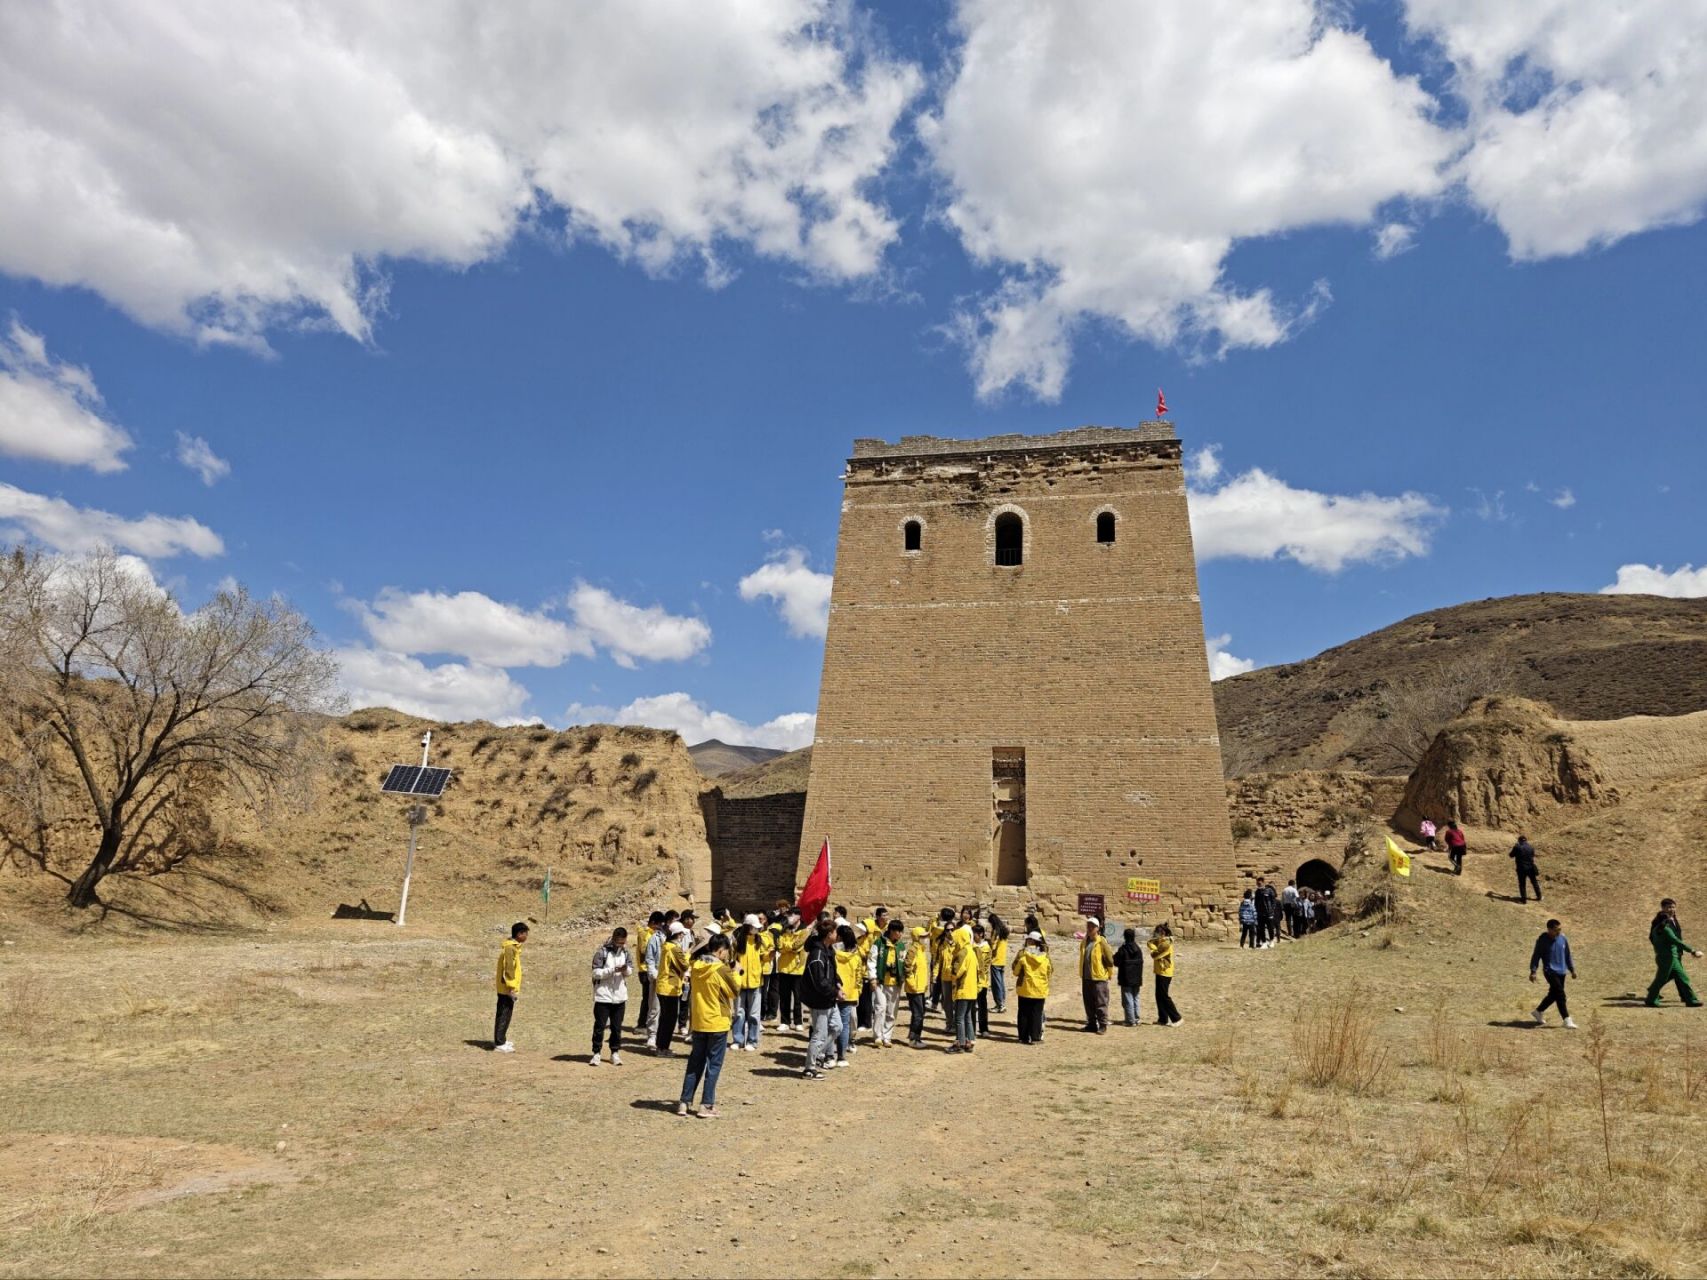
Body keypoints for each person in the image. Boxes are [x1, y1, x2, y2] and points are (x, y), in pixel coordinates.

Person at [676, 933, 738, 1118]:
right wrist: (737, 973)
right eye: (726, 951)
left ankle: (684, 1102)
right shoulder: (721, 969)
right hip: (717, 1022)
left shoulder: (696, 966)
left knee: (695, 1062)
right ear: (720, 950)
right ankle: (706, 1104)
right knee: (714, 1065)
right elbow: (734, 991)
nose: (727, 955)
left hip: (699, 1021)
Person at [799, 920, 840, 1078]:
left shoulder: (829, 951)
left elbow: (832, 972)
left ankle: (818, 1055)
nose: (837, 935)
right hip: (819, 1000)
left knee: (837, 1027)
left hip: (829, 998)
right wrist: (835, 992)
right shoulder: (817, 954)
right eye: (835, 932)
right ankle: (809, 1068)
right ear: (829, 934)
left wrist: (838, 983)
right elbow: (819, 981)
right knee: (819, 1034)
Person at [1646, 899, 1704, 1008]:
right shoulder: (1666, 930)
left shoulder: (1658, 929)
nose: (1671, 912)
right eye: (1668, 909)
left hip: (1672, 957)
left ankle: (1691, 1000)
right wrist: (1692, 951)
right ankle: (1651, 999)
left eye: (1673, 907)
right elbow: (1677, 941)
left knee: (1683, 978)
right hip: (1667, 958)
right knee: (1661, 979)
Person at [590, 927, 631, 1066]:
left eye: (623, 942)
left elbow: (630, 970)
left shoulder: (625, 952)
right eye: (619, 942)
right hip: (603, 995)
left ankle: (615, 1052)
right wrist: (611, 971)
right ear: (613, 939)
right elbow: (595, 973)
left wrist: (626, 970)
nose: (621, 945)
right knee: (600, 1026)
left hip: (619, 995)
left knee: (616, 1027)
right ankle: (596, 1053)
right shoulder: (602, 952)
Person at [1528, 918, 1578, 1028]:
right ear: (1549, 929)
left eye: (1560, 929)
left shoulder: (1563, 939)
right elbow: (1536, 956)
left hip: (1561, 971)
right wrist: (1533, 971)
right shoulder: (1542, 941)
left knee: (1553, 995)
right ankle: (1566, 1020)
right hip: (1549, 971)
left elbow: (1567, 955)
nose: (1558, 932)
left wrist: (1572, 969)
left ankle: (1538, 1011)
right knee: (1560, 994)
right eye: (1556, 930)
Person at [730, 915, 766, 1053]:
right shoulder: (737, 941)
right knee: (739, 1013)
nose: (757, 929)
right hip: (740, 982)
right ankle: (737, 1040)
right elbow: (732, 959)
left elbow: (763, 956)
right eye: (754, 927)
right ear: (748, 927)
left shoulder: (759, 940)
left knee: (754, 1014)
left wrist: (769, 956)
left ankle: (752, 1040)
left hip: (755, 981)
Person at [653, 921, 690, 1055]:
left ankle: (660, 1046)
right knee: (669, 1019)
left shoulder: (666, 946)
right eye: (682, 934)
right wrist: (689, 953)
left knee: (665, 1019)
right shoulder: (674, 948)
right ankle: (663, 1048)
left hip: (663, 986)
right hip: (670, 988)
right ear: (678, 934)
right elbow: (684, 965)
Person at [870, 918, 907, 1047]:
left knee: (892, 1011)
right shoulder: (879, 943)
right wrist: (872, 978)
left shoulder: (901, 946)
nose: (900, 934)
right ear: (892, 931)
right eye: (899, 931)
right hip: (881, 982)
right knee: (880, 1008)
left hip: (895, 983)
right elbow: (872, 960)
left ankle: (887, 1036)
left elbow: (903, 961)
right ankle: (878, 1036)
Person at [1013, 931, 1052, 1044]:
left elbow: (1015, 972)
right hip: (1040, 989)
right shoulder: (1045, 957)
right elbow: (1049, 972)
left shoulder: (1023, 956)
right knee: (1036, 1013)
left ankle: (1023, 1037)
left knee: (1023, 1013)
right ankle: (1035, 1037)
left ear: (1030, 941)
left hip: (1025, 989)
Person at [493, 922, 526, 1052]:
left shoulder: (514, 948)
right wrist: (511, 988)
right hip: (506, 988)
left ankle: (502, 1039)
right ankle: (499, 1043)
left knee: (507, 1013)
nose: (527, 936)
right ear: (519, 934)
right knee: (503, 1014)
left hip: (507, 987)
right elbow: (509, 969)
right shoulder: (510, 949)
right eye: (525, 933)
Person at [832, 923, 862, 1067]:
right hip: (849, 994)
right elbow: (859, 975)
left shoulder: (832, 953)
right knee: (844, 1025)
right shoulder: (856, 956)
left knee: (831, 1025)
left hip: (833, 992)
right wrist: (857, 990)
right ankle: (841, 1056)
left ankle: (829, 1054)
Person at [949, 917, 979, 1052]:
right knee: (967, 1017)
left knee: (959, 1018)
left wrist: (952, 976)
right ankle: (969, 1041)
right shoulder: (972, 951)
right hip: (972, 990)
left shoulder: (963, 953)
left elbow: (958, 971)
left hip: (963, 989)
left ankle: (960, 1043)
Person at [1079, 916, 1114, 1034]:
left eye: (1092, 926)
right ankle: (1091, 1024)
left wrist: (1108, 972)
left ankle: (1103, 1024)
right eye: (1088, 926)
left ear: (1097, 928)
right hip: (1087, 977)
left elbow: (1109, 959)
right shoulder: (1085, 941)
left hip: (1099, 977)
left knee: (1101, 1002)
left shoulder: (1102, 941)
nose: (1089, 928)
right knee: (1088, 1002)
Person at [903, 925, 931, 1047]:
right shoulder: (913, 950)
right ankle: (914, 1039)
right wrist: (912, 984)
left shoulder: (921, 950)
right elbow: (908, 969)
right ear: (916, 937)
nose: (926, 938)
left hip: (920, 988)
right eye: (923, 936)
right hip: (914, 989)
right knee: (918, 1014)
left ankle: (914, 1036)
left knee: (920, 1013)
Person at [1148, 921, 1181, 1025]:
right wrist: (1155, 944)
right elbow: (1149, 942)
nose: (1155, 935)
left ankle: (1177, 1018)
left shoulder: (1166, 944)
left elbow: (1154, 955)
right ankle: (1162, 1019)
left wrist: (1154, 948)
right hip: (1159, 971)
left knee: (1164, 996)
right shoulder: (1161, 941)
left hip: (1165, 972)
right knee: (1158, 995)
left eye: (1157, 933)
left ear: (1162, 933)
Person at [1113, 926, 1145, 1026]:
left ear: (1125, 937)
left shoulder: (1123, 949)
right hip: (1137, 978)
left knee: (1128, 999)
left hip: (1126, 978)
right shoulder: (1139, 949)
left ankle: (1130, 1021)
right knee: (1136, 998)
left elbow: (1116, 962)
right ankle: (1136, 1018)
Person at [635, 911, 661, 1031]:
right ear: (653, 923)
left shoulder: (651, 933)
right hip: (645, 970)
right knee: (647, 998)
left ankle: (644, 1023)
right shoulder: (646, 934)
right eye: (659, 924)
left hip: (648, 969)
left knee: (649, 998)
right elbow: (644, 951)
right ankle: (641, 1024)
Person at [972, 923, 993, 1038]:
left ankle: (984, 1028)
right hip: (970, 980)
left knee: (982, 1005)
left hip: (981, 980)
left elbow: (986, 964)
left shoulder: (986, 947)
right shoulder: (970, 946)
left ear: (980, 934)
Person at [988, 914, 1011, 1013]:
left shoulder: (996, 932)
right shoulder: (1004, 931)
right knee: (1001, 983)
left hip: (995, 960)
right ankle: (1002, 1002)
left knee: (996, 984)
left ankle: (999, 1005)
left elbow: (993, 946)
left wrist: (989, 942)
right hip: (1002, 960)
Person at [1510, 835, 1542, 904]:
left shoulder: (1517, 847)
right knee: (1534, 882)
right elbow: (1532, 855)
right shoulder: (1531, 847)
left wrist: (1515, 847)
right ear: (1526, 840)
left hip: (1521, 868)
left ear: (1519, 840)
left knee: (1522, 884)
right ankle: (1539, 897)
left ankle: (1523, 900)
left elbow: (1511, 855)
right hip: (1530, 867)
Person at [1253, 878, 1279, 948]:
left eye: (1259, 883)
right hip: (1260, 913)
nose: (1258, 885)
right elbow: (1256, 903)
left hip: (1269, 913)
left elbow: (1273, 901)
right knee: (1261, 928)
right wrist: (1257, 910)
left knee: (1270, 928)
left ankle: (1271, 941)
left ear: (1263, 883)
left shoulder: (1269, 890)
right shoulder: (1257, 892)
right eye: (1257, 883)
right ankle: (1264, 942)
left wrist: (1272, 911)